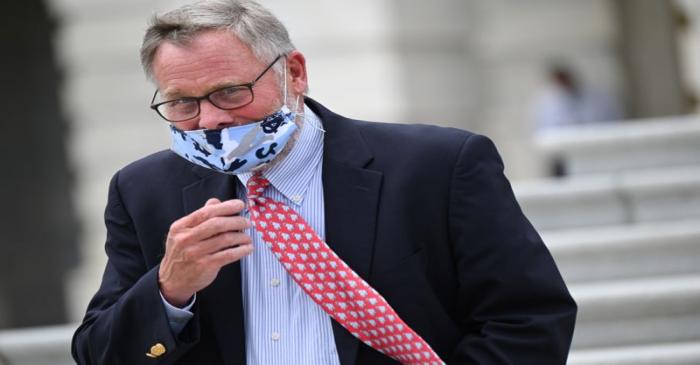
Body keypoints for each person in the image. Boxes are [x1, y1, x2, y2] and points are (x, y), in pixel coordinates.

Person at [71, 1, 577, 364]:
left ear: (294, 71)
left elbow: (529, 320)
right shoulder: (143, 191)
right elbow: (97, 352)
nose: (208, 121)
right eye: (182, 103)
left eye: (229, 92)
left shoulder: (438, 165)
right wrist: (167, 290)